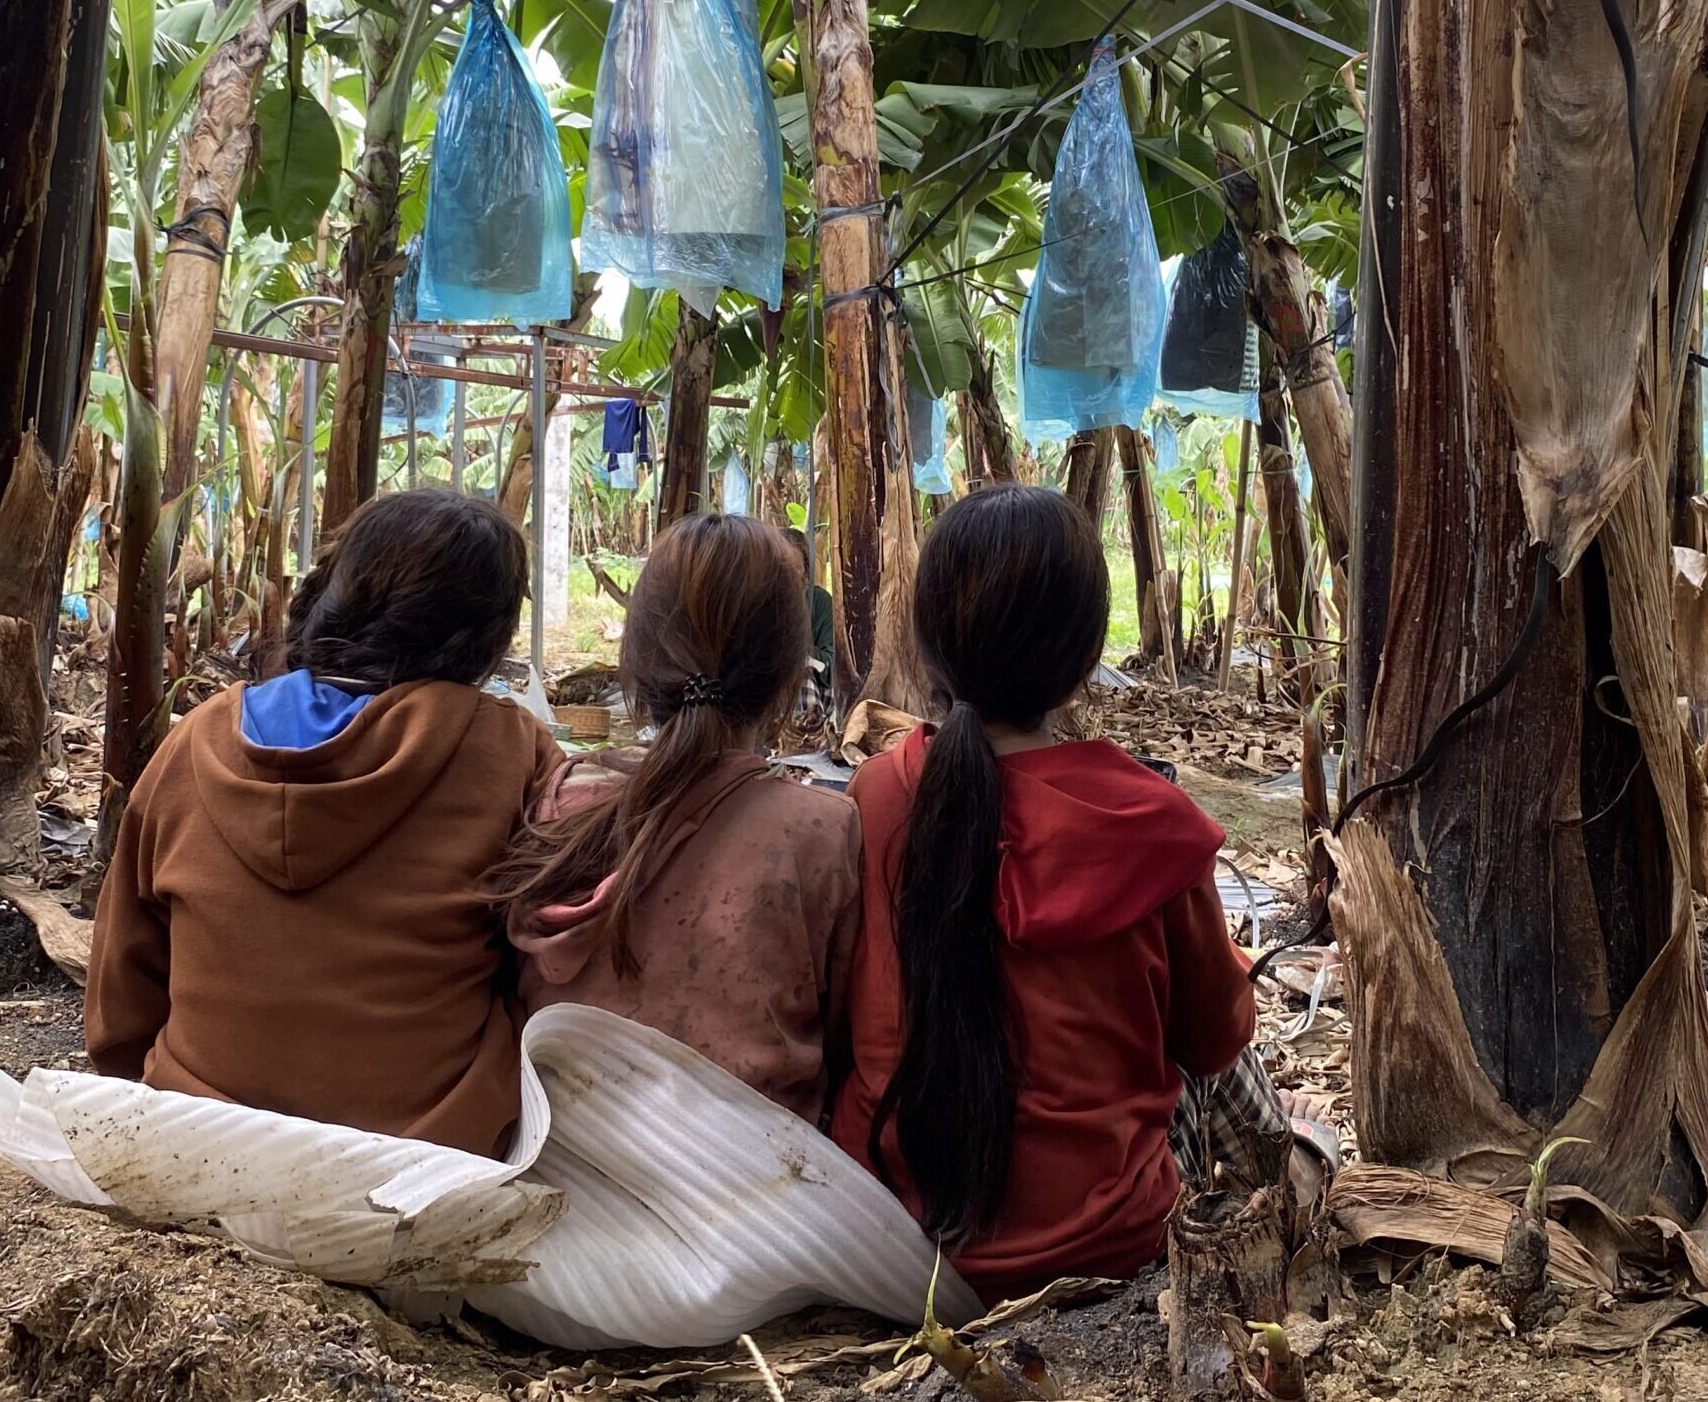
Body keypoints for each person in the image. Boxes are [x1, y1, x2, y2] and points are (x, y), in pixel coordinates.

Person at [829, 484, 1261, 1303]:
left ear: (928, 643)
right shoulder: (1154, 823)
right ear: (1084, 652)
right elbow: (1216, 1039)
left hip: (895, 1249)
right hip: (1111, 1246)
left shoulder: (879, 796)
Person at [85, 488, 561, 1158]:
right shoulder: (512, 750)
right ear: (487, 633)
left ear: (334, 590)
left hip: (194, 1132)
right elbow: (549, 963)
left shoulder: (195, 740)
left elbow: (121, 991)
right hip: (426, 1152)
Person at [494, 513, 859, 1124]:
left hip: (561, 1176)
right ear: (789, 676)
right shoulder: (821, 830)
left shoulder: (560, 802)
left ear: (636, 666)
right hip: (758, 1195)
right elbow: (847, 1045)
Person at [784, 527, 836, 699]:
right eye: (780, 567)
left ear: (806, 571)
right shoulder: (759, 601)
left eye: (794, 568)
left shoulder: (819, 602)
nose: (786, 575)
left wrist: (795, 648)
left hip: (809, 695)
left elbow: (830, 668)